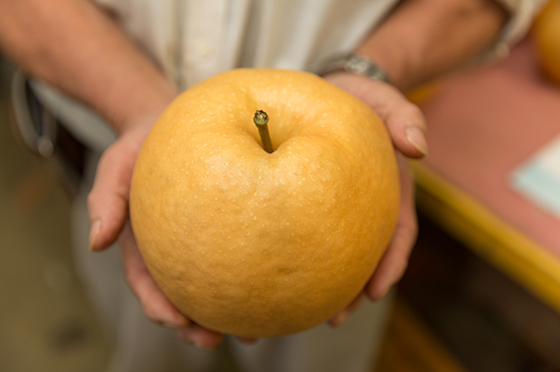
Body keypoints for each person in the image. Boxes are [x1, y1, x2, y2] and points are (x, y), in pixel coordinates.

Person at [0, 0, 545, 371]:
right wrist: (136, 106)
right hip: (133, 172)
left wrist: (373, 67)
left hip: (350, 183)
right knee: (150, 355)